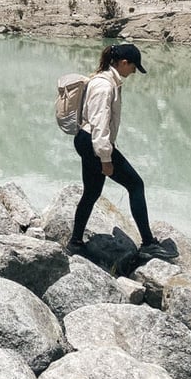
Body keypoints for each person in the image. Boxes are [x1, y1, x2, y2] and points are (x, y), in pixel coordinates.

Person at [67, 42, 175, 260]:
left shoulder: (107, 81)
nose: (134, 71)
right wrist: (105, 158)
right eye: (134, 67)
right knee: (136, 185)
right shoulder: (105, 86)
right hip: (94, 143)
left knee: (91, 192)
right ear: (124, 63)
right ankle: (148, 243)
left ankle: (75, 242)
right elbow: (99, 125)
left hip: (88, 141)